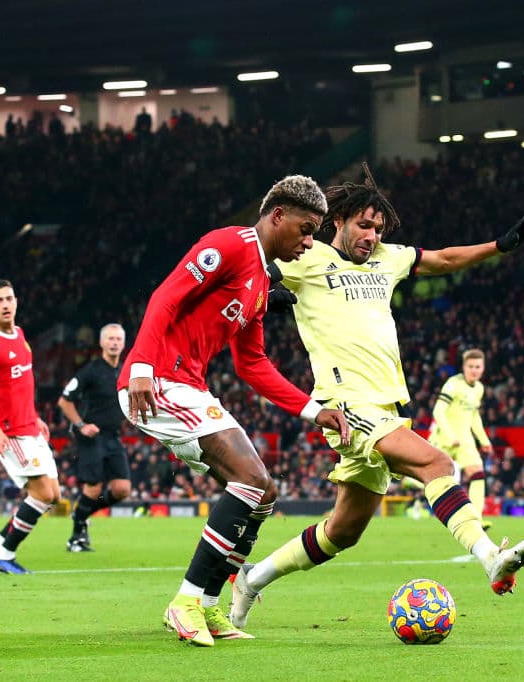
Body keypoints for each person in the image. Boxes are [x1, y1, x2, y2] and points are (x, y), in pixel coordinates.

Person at [231, 166, 524, 631]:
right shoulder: (308, 256)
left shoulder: (389, 260)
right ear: (337, 220)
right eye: (364, 224)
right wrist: (262, 297)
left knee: (342, 532)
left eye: (379, 228)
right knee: (437, 464)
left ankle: (252, 579)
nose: (372, 235)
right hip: (345, 406)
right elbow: (247, 270)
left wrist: (501, 245)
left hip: (385, 407)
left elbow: (444, 259)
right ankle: (490, 559)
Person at [118, 175, 350, 647]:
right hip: (156, 381)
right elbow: (165, 297)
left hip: (189, 387)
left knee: (264, 491)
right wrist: (141, 363)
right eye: (305, 230)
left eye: (315, 234)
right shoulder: (229, 244)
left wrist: (312, 409)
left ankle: (205, 606)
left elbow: (253, 365)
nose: (309, 243)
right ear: (277, 215)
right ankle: (184, 602)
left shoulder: (262, 283)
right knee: (249, 479)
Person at [0, 279, 60, 574]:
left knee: (55, 496)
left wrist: (35, 416)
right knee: (43, 495)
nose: (5, 304)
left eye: (9, 298)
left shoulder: (21, 335)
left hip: (29, 426)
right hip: (10, 432)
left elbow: (21, 386)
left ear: (16, 300)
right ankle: (4, 553)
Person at [58, 323, 130, 552]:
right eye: (110, 338)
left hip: (113, 435)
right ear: (101, 343)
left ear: (124, 343)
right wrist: (80, 425)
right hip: (92, 436)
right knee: (94, 487)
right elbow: (64, 400)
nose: (115, 342)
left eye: (118, 339)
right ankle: (76, 537)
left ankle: (82, 513)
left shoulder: (125, 370)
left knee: (122, 489)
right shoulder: (90, 370)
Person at [426, 348, 493, 526]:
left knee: (478, 474)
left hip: (465, 440)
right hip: (443, 438)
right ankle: (410, 482)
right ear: (464, 367)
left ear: (483, 367)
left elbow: (474, 416)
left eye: (478, 366)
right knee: (432, 478)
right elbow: (438, 411)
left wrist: (484, 441)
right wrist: (450, 435)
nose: (474, 370)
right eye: (470, 366)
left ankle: (476, 520)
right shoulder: (453, 384)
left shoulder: (479, 388)